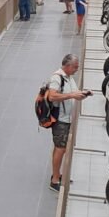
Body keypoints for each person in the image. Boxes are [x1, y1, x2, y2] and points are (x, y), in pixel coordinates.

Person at [45, 54, 90, 191]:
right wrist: (72, 95)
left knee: (60, 147)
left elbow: (73, 94)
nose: (77, 69)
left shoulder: (69, 78)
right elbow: (52, 96)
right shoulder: (57, 78)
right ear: (68, 66)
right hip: (61, 121)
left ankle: (57, 174)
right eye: (75, 67)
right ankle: (54, 180)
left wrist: (82, 94)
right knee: (60, 149)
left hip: (67, 119)